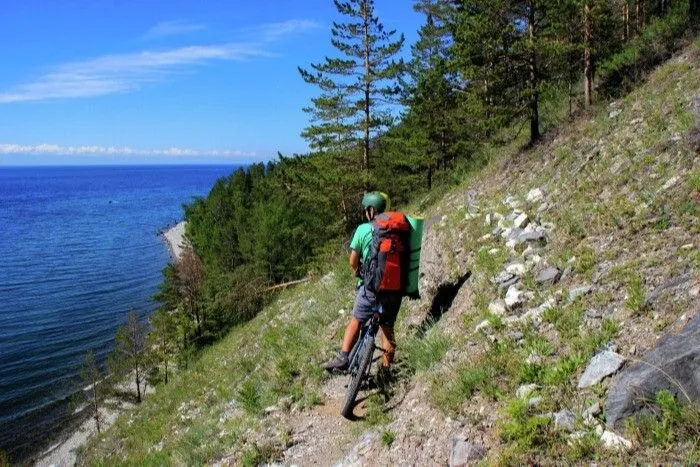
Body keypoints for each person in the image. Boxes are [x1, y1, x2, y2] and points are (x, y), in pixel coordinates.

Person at [323, 191, 402, 374]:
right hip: (393, 290)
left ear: (371, 211)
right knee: (387, 330)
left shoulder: (363, 229)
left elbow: (352, 261)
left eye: (366, 209)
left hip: (371, 289)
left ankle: (343, 358)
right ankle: (385, 369)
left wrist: (359, 271)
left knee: (356, 320)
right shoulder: (397, 228)